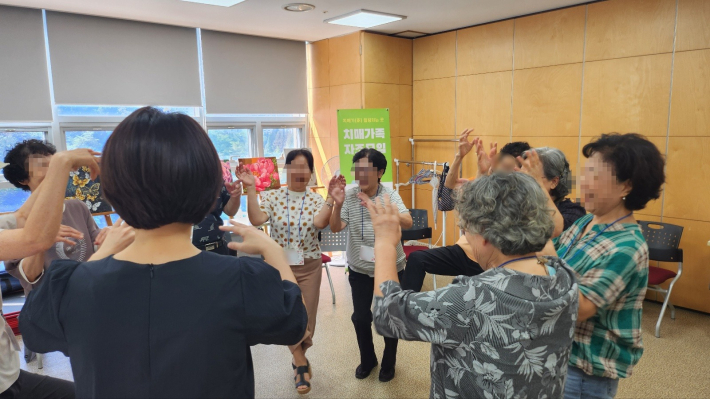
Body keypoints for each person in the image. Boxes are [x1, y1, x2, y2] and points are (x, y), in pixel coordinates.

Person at [19, 107, 308, 398]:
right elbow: (296, 324)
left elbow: (36, 331)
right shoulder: (239, 279)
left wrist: (99, 254)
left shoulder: (69, 286)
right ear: (208, 190)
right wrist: (273, 249)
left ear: (110, 190)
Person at [369, 172, 579, 399]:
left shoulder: (472, 299)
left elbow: (387, 313)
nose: (465, 237)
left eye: (466, 229)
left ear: (486, 233)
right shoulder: (564, 276)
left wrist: (384, 243)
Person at [548, 133, 664, 399]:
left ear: (626, 186)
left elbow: (578, 308)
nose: (583, 183)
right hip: (554, 358)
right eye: (584, 172)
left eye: (595, 176)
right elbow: (551, 261)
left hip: (583, 375)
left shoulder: (628, 246)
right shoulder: (585, 223)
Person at [402, 132, 574, 292]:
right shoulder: (492, 185)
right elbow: (446, 202)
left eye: (513, 169)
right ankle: (404, 310)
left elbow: (553, 228)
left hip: (493, 259)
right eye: (502, 166)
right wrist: (469, 164)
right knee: (418, 259)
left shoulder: (525, 200)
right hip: (468, 250)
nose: (505, 172)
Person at [0, 148, 100, 399]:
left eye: (53, 164)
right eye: (44, 166)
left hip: (90, 295)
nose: (54, 171)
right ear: (24, 179)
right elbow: (31, 257)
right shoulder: (24, 230)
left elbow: (22, 217)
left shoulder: (77, 208)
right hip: (55, 307)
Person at [238, 149, 332, 394]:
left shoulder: (315, 199)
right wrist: (250, 188)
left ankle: (298, 355)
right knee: (287, 315)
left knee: (308, 319)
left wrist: (332, 198)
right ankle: (300, 363)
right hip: (279, 267)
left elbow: (321, 223)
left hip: (310, 265)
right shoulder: (273, 195)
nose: (300, 173)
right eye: (295, 167)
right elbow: (257, 219)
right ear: (286, 169)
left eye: (305, 168)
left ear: (311, 173)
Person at [328, 148, 413, 382]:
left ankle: (389, 361)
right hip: (360, 270)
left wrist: (383, 209)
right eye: (357, 169)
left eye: (365, 169)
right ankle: (368, 360)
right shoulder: (350, 194)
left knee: (389, 317)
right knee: (361, 317)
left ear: (380, 172)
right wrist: (337, 204)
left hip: (391, 269)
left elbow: (407, 220)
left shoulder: (389, 194)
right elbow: (335, 227)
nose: (359, 174)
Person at [191, 180, 242, 255]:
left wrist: (235, 196)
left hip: (216, 247)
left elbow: (230, 211)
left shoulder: (216, 178)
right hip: (181, 249)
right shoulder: (174, 176)